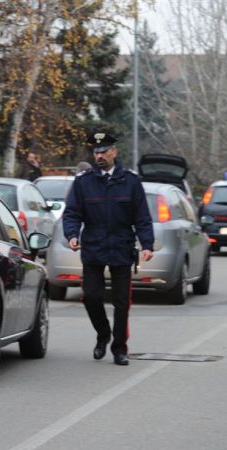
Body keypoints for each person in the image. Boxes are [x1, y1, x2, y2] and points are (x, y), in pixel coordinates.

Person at [62, 131, 154, 366]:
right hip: (93, 246)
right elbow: (72, 213)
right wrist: (72, 235)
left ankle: (119, 348)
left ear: (114, 152)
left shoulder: (130, 181)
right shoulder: (83, 182)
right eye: (96, 152)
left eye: (104, 151)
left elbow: (142, 216)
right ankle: (103, 334)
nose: (99, 155)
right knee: (91, 296)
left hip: (122, 247)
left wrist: (147, 244)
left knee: (122, 302)